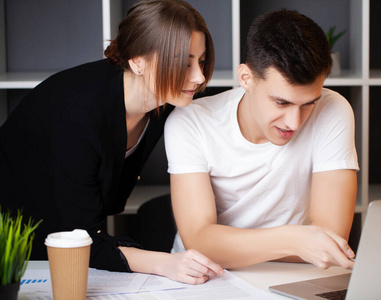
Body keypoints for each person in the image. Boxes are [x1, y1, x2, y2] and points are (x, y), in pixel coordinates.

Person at [0, 0, 224, 284]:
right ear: (137, 62)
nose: (199, 77)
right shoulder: (79, 112)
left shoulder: (167, 95)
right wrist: (166, 263)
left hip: (62, 240)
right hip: (15, 244)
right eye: (184, 62)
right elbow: (80, 239)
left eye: (201, 61)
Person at [164, 9, 359, 270]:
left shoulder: (332, 109)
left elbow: (330, 243)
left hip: (293, 275)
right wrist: (296, 240)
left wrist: (228, 245)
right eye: (281, 102)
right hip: (206, 275)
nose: (295, 122)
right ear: (246, 78)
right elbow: (199, 242)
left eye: (308, 104)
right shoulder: (191, 122)